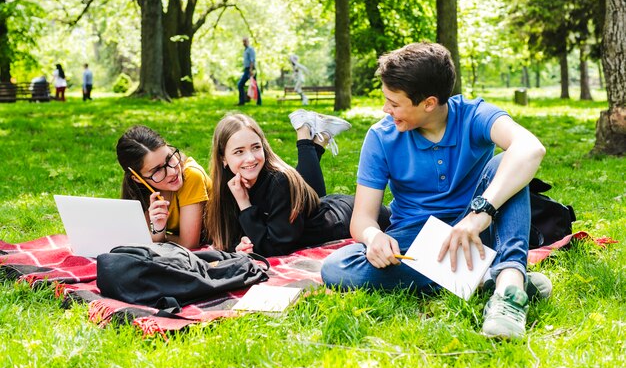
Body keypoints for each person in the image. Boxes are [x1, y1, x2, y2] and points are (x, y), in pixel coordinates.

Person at [320, 42, 551, 339]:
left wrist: (480, 215)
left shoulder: (474, 114)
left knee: (511, 161)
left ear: (428, 103)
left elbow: (531, 147)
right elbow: (362, 218)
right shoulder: (381, 136)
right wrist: (374, 236)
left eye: (394, 103)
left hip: (476, 234)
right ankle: (485, 278)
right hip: (414, 242)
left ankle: (508, 290)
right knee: (338, 266)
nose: (385, 109)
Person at [205, 110, 391, 257]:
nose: (250, 158)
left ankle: (307, 133)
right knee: (309, 194)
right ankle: (319, 138)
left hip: (343, 220)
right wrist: (240, 245)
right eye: (239, 152)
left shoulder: (279, 181)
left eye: (256, 147)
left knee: (300, 188)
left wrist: (245, 205)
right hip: (316, 206)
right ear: (223, 159)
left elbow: (275, 247)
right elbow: (227, 237)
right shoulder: (229, 186)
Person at [116, 125, 212, 249]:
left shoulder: (192, 176)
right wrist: (159, 231)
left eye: (169, 158)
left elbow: (189, 244)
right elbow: (142, 238)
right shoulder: (141, 191)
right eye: (157, 170)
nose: (172, 172)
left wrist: (160, 237)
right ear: (138, 179)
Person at [237, 37, 262, 106]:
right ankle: (257, 102)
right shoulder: (245, 50)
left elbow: (252, 60)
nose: (244, 43)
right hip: (247, 69)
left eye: (245, 41)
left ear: (248, 41)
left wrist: (251, 70)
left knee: (241, 84)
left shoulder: (250, 49)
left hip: (250, 70)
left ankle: (242, 101)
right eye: (243, 42)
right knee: (253, 85)